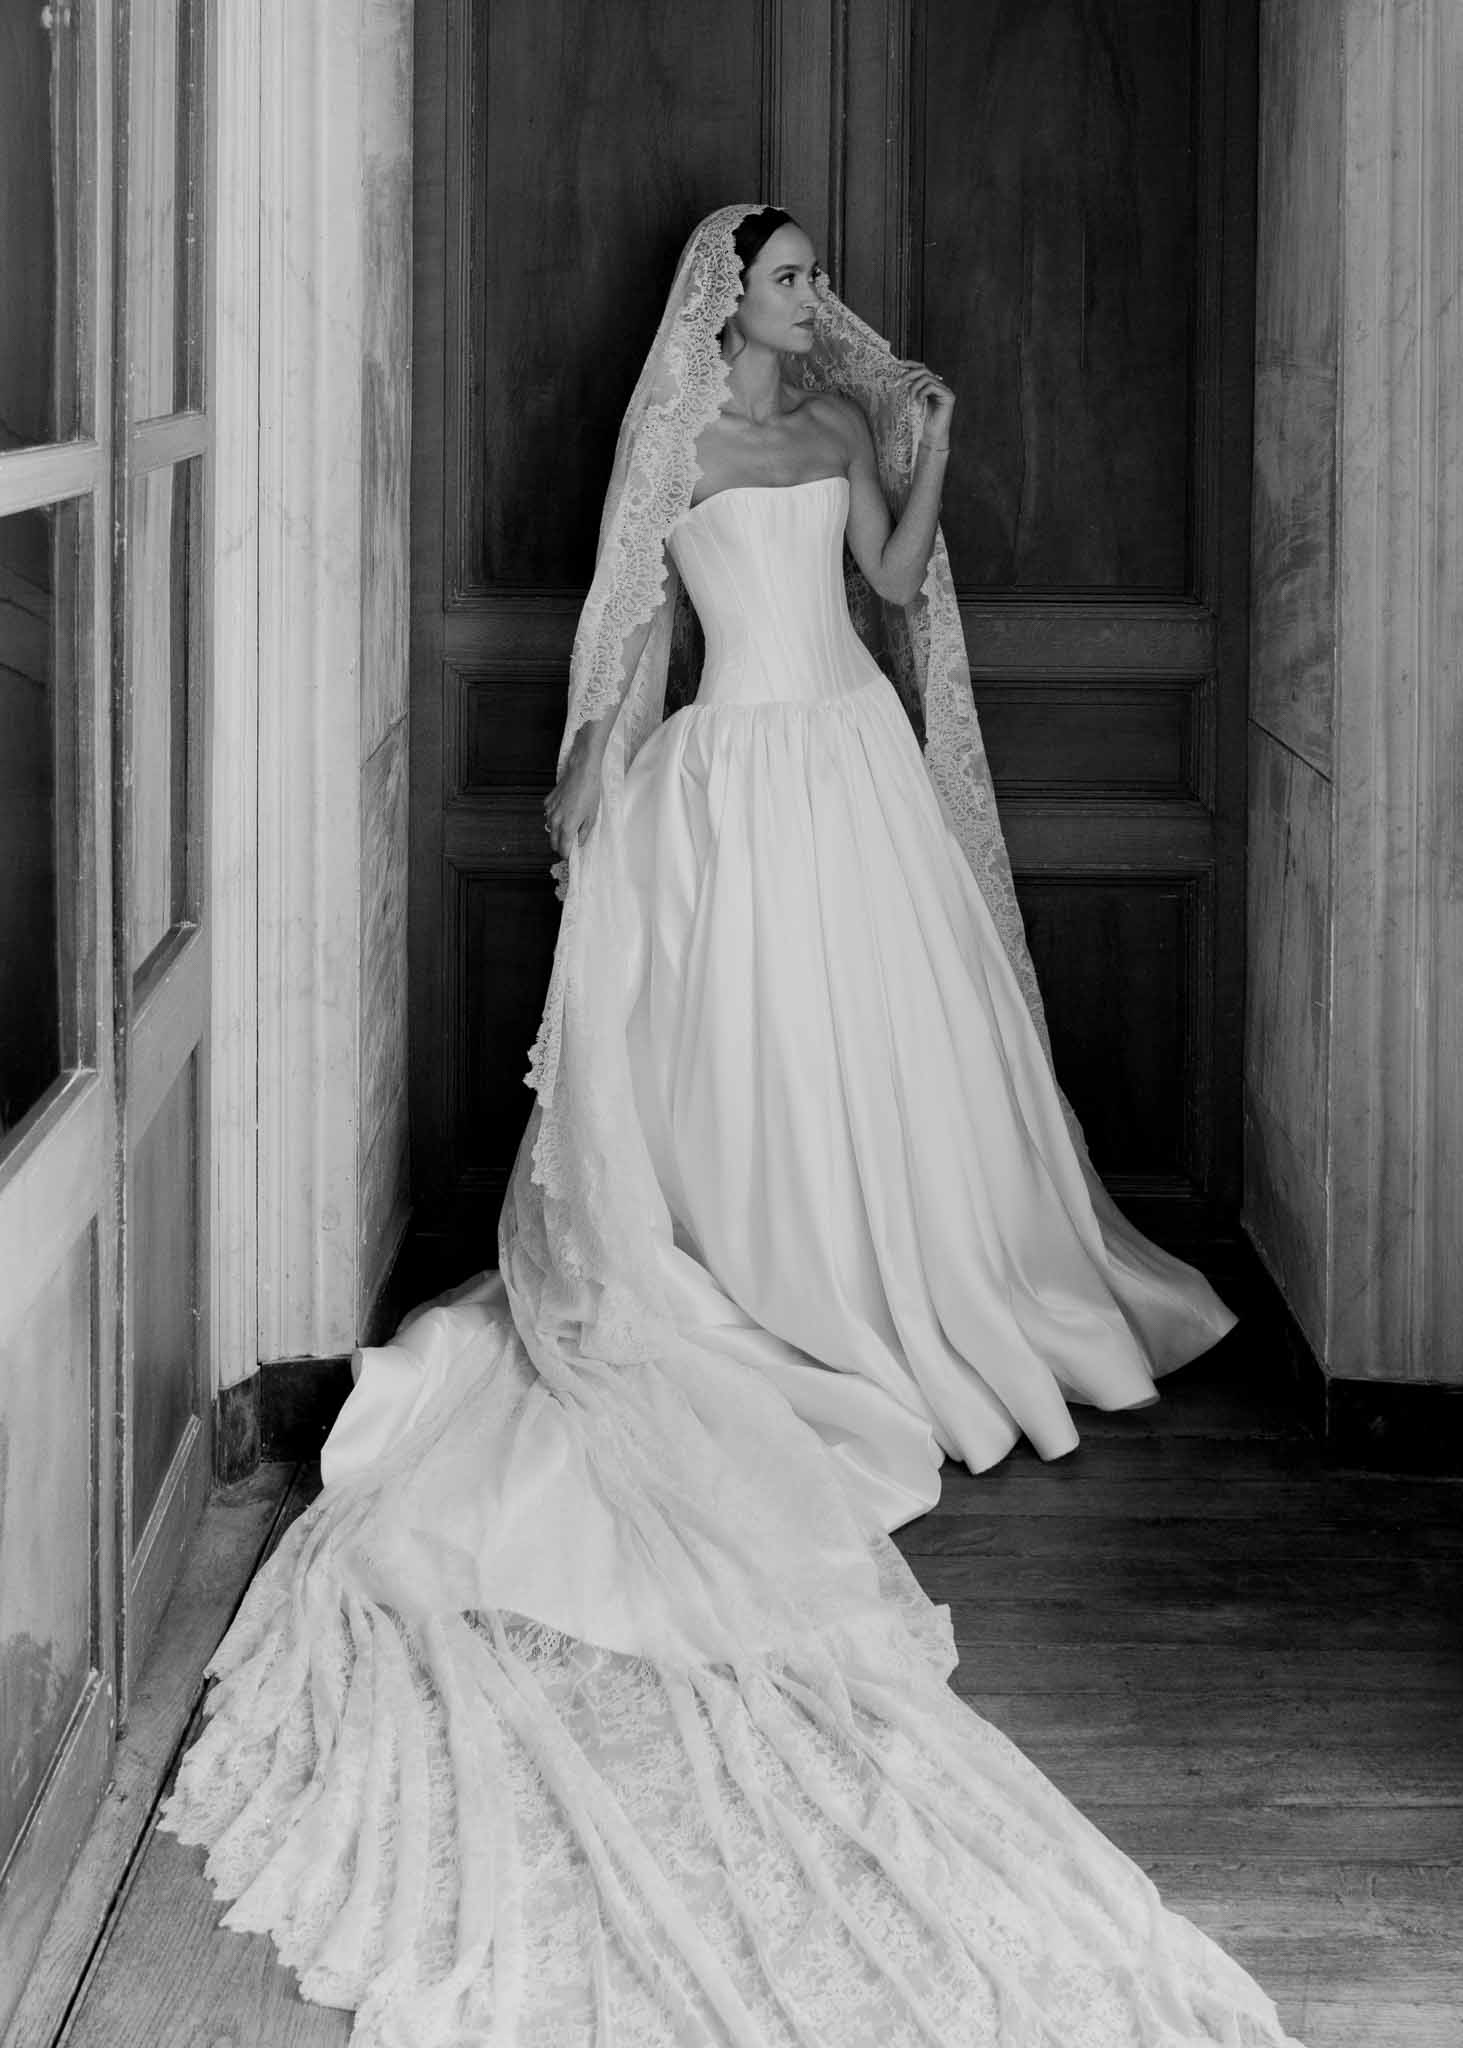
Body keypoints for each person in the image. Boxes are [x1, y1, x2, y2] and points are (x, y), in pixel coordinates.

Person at [160, 206, 1302, 2047]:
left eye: (809, 282)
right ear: (728, 300)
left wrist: (931, 462)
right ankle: (797, 1297)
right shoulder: (677, 449)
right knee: (763, 1074)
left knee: (905, 1062)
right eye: (784, 281)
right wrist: (586, 774)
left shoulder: (843, 436)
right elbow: (627, 633)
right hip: (734, 774)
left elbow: (897, 582)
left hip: (847, 755)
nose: (810, 302)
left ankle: (937, 1284)